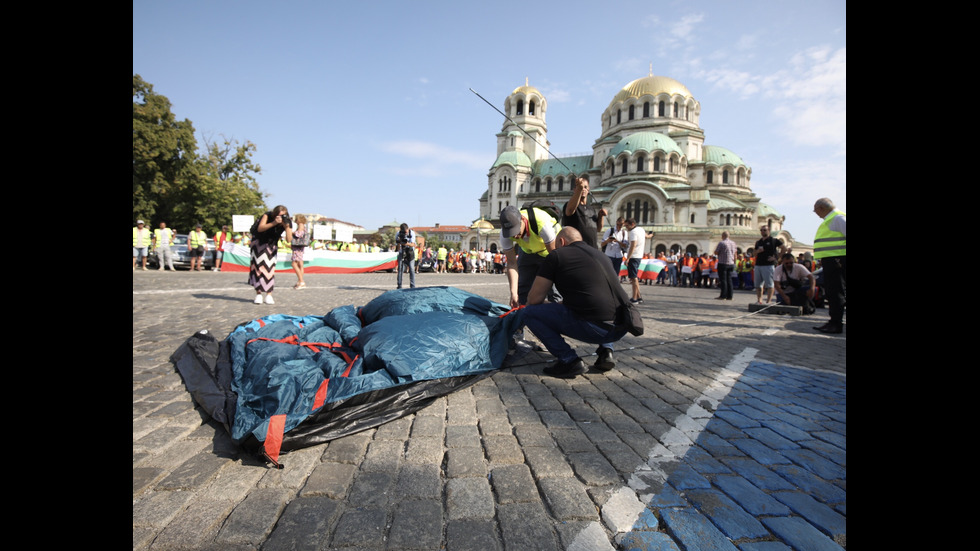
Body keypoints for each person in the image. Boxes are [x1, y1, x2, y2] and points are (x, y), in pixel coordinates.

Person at [522, 227, 629, 378]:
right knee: (600, 306)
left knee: (529, 313)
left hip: (596, 328)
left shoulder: (557, 255)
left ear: (561, 241)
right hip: (622, 326)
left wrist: (545, 305)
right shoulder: (602, 255)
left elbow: (533, 300)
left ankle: (569, 360)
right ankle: (606, 351)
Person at [499, 204, 561, 309]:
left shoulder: (542, 223)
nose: (514, 236)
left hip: (549, 252)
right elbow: (512, 263)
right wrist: (513, 292)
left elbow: (556, 259)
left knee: (554, 289)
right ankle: (523, 316)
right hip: (528, 252)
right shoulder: (504, 234)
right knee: (522, 289)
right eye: (510, 233)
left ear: (522, 219)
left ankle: (558, 317)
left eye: (516, 230)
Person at [812, 197, 846, 334]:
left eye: (816, 210)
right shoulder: (832, 219)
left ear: (821, 208)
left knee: (836, 291)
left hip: (837, 260)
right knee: (832, 292)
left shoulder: (837, 219)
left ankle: (836, 324)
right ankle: (833, 321)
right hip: (832, 260)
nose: (816, 213)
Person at [250, 205, 293, 305]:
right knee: (257, 269)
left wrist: (286, 227)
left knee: (270, 270)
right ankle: (258, 294)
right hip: (259, 244)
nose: (281, 217)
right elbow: (260, 228)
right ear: (275, 214)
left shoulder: (287, 221)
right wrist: (274, 223)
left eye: (284, 215)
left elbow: (289, 240)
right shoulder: (267, 215)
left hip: (271, 245)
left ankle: (269, 294)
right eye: (280, 215)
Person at [562, 177, 607, 249]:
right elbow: (569, 211)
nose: (583, 189)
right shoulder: (570, 205)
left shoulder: (591, 208)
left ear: (588, 190)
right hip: (577, 249)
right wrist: (579, 190)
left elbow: (598, 229)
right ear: (575, 190)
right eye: (580, 187)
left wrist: (600, 216)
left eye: (585, 187)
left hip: (592, 248)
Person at [753, 225, 787, 304]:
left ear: (769, 231)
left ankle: (768, 301)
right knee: (758, 285)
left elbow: (784, 248)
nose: (763, 231)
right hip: (758, 264)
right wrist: (758, 251)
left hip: (768, 265)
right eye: (761, 230)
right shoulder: (758, 242)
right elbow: (754, 253)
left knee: (769, 284)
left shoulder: (773, 240)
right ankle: (759, 300)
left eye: (765, 230)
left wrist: (777, 258)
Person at [624, 219, 646, 303]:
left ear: (632, 224)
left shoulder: (633, 232)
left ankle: (634, 298)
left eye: (627, 226)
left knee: (633, 278)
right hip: (639, 256)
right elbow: (646, 236)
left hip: (634, 256)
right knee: (634, 277)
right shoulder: (641, 229)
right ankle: (638, 296)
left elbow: (633, 245)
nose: (626, 228)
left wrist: (628, 258)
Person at [714, 231, 737, 300]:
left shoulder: (722, 243)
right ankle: (730, 296)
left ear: (723, 236)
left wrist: (717, 253)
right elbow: (735, 254)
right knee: (729, 280)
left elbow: (716, 252)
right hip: (731, 263)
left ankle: (723, 295)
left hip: (723, 263)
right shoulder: (733, 243)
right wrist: (734, 262)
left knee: (723, 280)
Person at [395, 222, 417, 289]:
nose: (405, 233)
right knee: (400, 269)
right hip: (402, 252)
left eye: (406, 232)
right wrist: (399, 242)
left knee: (411, 269)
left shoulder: (412, 233)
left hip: (410, 252)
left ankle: (412, 286)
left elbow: (413, 244)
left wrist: (406, 243)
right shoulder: (398, 234)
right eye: (404, 232)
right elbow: (398, 248)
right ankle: (399, 285)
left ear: (408, 229)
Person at [291, 214, 309, 289]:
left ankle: (301, 281)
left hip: (297, 247)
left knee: (294, 263)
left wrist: (292, 233)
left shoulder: (301, 225)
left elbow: (299, 234)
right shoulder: (303, 225)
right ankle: (300, 281)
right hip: (300, 247)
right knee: (300, 264)